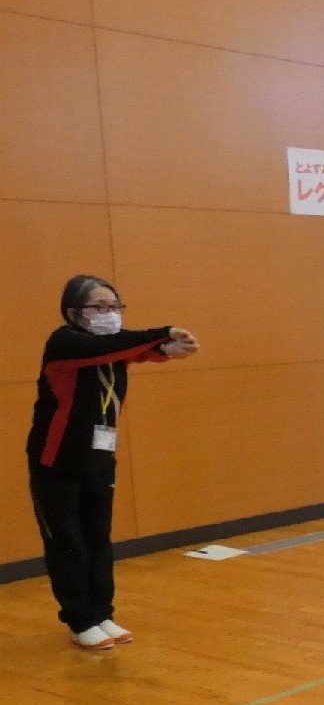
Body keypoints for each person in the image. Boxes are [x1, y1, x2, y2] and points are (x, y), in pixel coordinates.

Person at [27, 276, 199, 650]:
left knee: (98, 539)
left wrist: (168, 350)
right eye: (99, 307)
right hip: (57, 461)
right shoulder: (64, 343)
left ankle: (102, 613)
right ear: (73, 312)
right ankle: (78, 619)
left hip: (99, 459)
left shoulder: (108, 350)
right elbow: (117, 346)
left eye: (115, 307)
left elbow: (131, 352)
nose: (110, 315)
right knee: (68, 542)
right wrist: (164, 332)